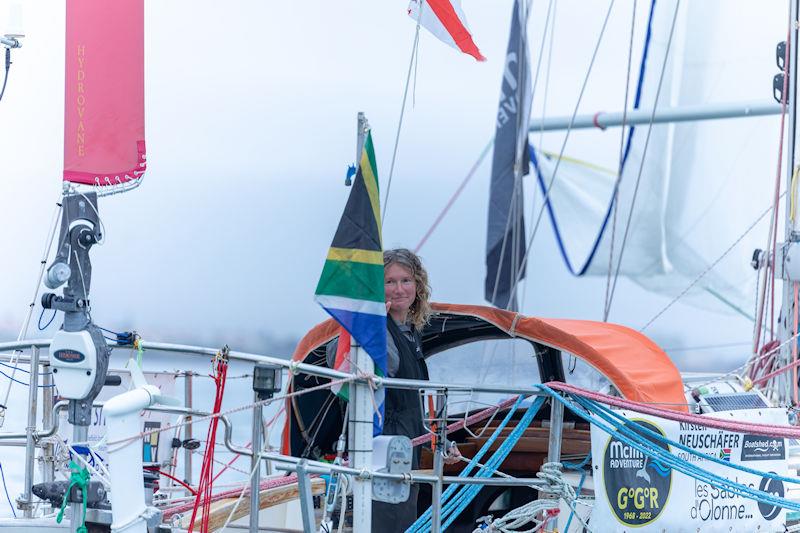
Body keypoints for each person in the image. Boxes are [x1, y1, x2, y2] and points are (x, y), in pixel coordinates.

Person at [326, 248, 433, 531]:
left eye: (406, 280)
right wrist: (371, 325)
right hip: (382, 443)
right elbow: (338, 355)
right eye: (389, 281)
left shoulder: (411, 332)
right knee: (388, 520)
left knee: (404, 519)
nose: (399, 289)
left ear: (417, 286)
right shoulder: (373, 326)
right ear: (376, 287)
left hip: (409, 442)